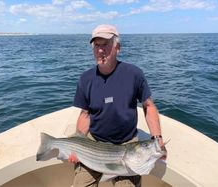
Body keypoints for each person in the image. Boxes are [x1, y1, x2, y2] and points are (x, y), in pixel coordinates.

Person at [70, 24, 167, 187]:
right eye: (96, 45)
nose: (100, 50)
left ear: (118, 48)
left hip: (127, 146)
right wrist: (76, 145)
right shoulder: (85, 79)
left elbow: (149, 106)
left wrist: (157, 138)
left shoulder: (134, 74)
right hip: (94, 145)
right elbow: (85, 115)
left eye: (105, 45)